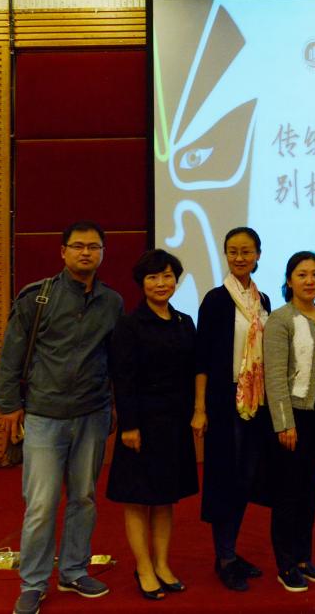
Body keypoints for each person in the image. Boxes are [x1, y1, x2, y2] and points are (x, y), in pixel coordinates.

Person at [0, 221, 123, 614]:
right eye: (78, 246)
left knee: (84, 497)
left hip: (92, 413)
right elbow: (11, 354)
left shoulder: (112, 302)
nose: (86, 253)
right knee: (41, 504)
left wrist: (114, 407)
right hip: (44, 415)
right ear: (63, 251)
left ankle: (73, 570)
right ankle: (33, 583)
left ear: (103, 253)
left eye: (94, 247)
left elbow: (115, 360)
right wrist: (9, 405)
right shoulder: (38, 297)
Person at [106, 249, 198, 600]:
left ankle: (161, 564)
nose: (161, 283)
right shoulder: (129, 325)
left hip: (174, 423)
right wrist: (129, 426)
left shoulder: (184, 322)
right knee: (137, 498)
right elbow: (123, 378)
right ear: (142, 283)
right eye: (153, 277)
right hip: (141, 424)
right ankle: (143, 567)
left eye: (167, 276)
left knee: (164, 499)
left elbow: (193, 371)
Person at [192, 227, 272, 592]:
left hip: (257, 405)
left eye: (246, 251)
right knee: (225, 480)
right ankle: (224, 558)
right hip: (224, 405)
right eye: (233, 251)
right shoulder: (215, 300)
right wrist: (199, 408)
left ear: (258, 255)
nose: (240, 257)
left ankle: (231, 551)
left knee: (246, 479)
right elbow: (202, 359)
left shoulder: (263, 300)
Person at [263, 251, 315, 593]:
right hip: (293, 420)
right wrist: (284, 423)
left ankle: (303, 559)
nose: (310, 281)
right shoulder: (280, 319)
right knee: (288, 493)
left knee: (309, 491)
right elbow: (274, 376)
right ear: (289, 280)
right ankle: (285, 565)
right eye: (302, 274)